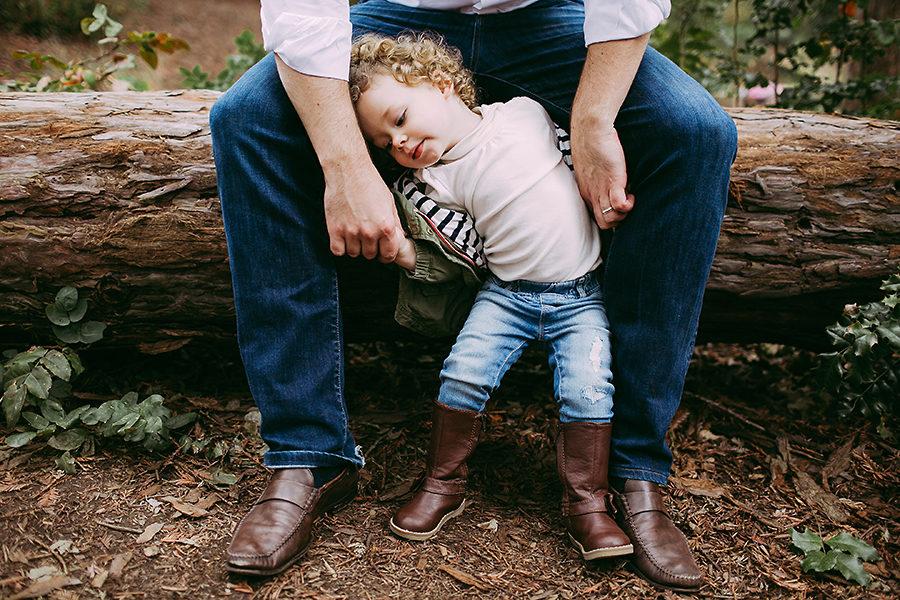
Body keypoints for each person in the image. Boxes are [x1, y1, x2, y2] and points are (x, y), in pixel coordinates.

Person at [210, 0, 737, 592]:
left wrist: (592, 120)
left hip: (547, 20)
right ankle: (307, 453)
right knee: (247, 119)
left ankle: (631, 466)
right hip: (393, 18)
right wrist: (347, 163)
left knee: (694, 131)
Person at [349, 31, 633, 560]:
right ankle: (442, 482)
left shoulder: (525, 114)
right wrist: (406, 252)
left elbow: (578, 160)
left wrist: (608, 202)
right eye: (385, 143)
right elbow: (457, 253)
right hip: (505, 296)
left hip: (580, 295)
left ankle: (587, 504)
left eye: (400, 118)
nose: (400, 143)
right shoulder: (428, 184)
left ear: (441, 86)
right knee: (463, 372)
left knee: (589, 388)